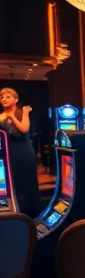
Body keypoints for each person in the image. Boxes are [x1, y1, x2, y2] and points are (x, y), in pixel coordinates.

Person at [0, 88, 40, 217]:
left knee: (26, 182)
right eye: (2, 97)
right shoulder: (0, 116)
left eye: (8, 97)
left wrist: (13, 117)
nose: (4, 99)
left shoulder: (22, 112)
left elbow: (24, 129)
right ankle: (15, 211)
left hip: (24, 151)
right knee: (12, 181)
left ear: (15, 99)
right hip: (7, 151)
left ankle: (30, 213)